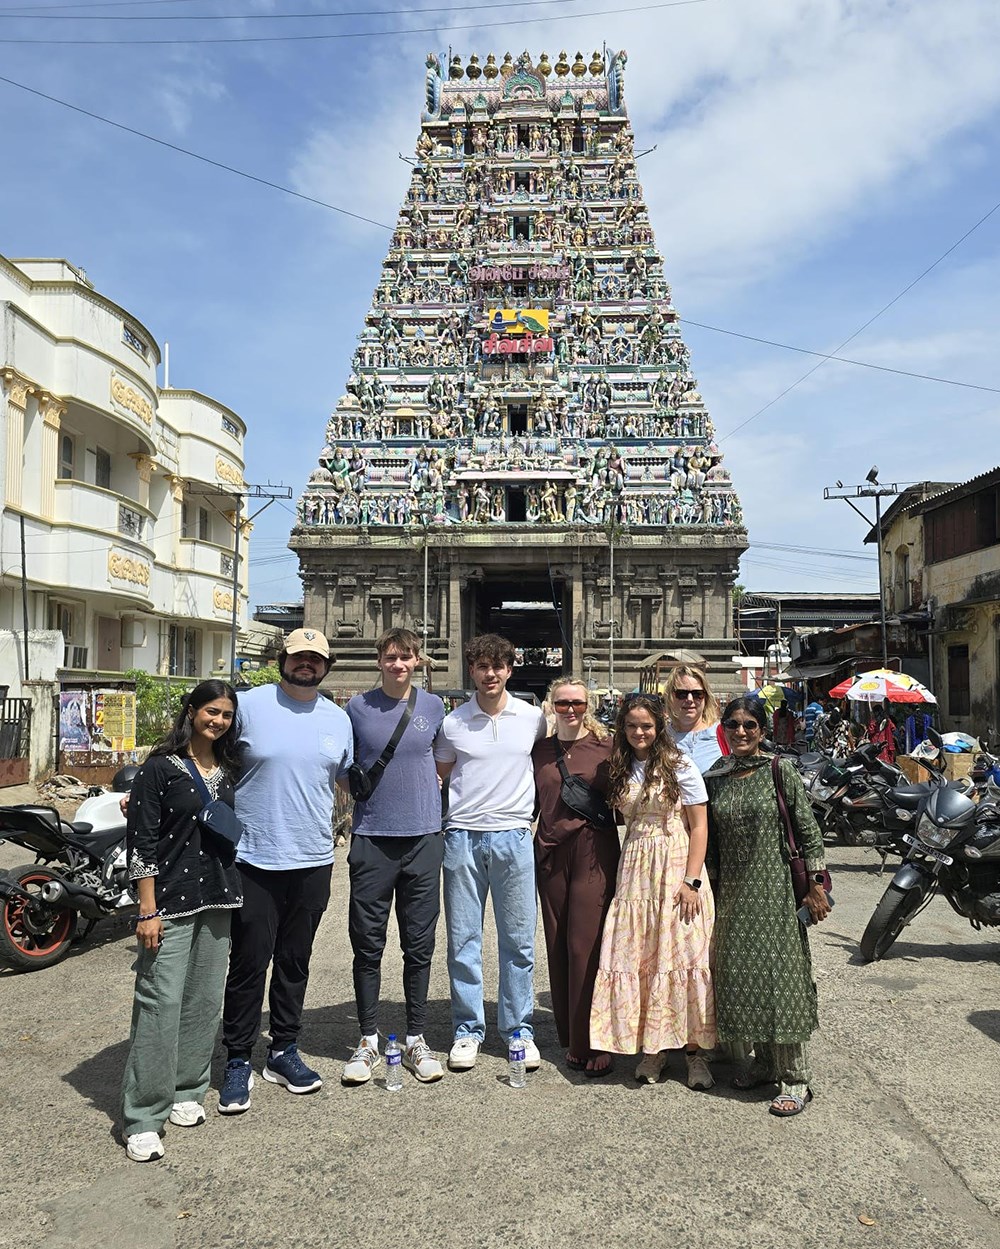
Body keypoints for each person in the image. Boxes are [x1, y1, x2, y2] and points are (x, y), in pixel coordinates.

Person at [218, 628, 353, 1113]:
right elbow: (204, 753)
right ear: (283, 659)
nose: (306, 665)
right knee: (249, 962)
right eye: (298, 657)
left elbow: (344, 780)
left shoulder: (337, 718)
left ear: (326, 666)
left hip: (313, 857)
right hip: (254, 856)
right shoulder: (248, 705)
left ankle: (283, 1050)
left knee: (295, 962)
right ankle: (237, 1057)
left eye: (315, 659)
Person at [120, 680, 243, 1162]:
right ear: (191, 711)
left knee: (203, 1000)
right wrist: (146, 909)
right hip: (168, 901)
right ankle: (144, 1114)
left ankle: (188, 1090)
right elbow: (142, 842)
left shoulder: (229, 768)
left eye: (226, 715)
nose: (217, 721)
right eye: (211, 711)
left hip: (217, 896)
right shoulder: (159, 769)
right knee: (158, 1001)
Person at [704, 696, 831, 1117]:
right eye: (734, 724)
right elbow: (711, 845)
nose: (741, 732)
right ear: (723, 728)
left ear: (763, 731)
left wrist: (815, 886)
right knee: (743, 978)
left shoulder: (780, 769)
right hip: (733, 895)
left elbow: (809, 832)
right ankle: (762, 1064)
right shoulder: (715, 778)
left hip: (775, 892)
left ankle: (796, 1077)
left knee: (782, 980)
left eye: (750, 725)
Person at [590, 693, 716, 1088]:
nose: (639, 732)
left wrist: (692, 880)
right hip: (636, 871)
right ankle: (654, 1050)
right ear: (622, 730)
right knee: (642, 955)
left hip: (676, 863)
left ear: (659, 726)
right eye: (631, 726)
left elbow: (699, 826)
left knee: (685, 955)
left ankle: (696, 1056)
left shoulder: (680, 764)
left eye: (646, 726)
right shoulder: (620, 766)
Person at [434, 634, 546, 1072]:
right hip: (462, 836)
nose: (490, 674)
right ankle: (467, 1028)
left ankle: (518, 1028)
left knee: (518, 941)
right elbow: (440, 777)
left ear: (510, 670)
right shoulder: (454, 723)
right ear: (472, 671)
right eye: (481, 666)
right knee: (463, 939)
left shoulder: (532, 719)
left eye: (498, 666)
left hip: (514, 837)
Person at [341, 628, 446, 1086]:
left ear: (418, 661)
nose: (398, 665)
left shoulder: (434, 706)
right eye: (390, 657)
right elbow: (343, 769)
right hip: (372, 838)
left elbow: (442, 760)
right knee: (367, 944)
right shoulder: (357, 708)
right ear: (378, 660)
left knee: (418, 946)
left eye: (406, 657)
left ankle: (416, 1036)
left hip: (424, 837)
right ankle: (367, 1037)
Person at [532, 677, 619, 1077]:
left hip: (593, 851)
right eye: (563, 702)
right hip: (549, 852)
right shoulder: (539, 750)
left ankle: (596, 1040)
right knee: (558, 941)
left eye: (578, 703)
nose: (570, 709)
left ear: (590, 705)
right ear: (551, 705)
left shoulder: (608, 747)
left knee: (587, 943)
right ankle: (571, 1036)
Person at [663, 663, 726, 774]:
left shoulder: (724, 735)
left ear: (706, 697)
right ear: (670, 697)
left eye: (697, 694)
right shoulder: (661, 738)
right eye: (682, 694)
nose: (690, 699)